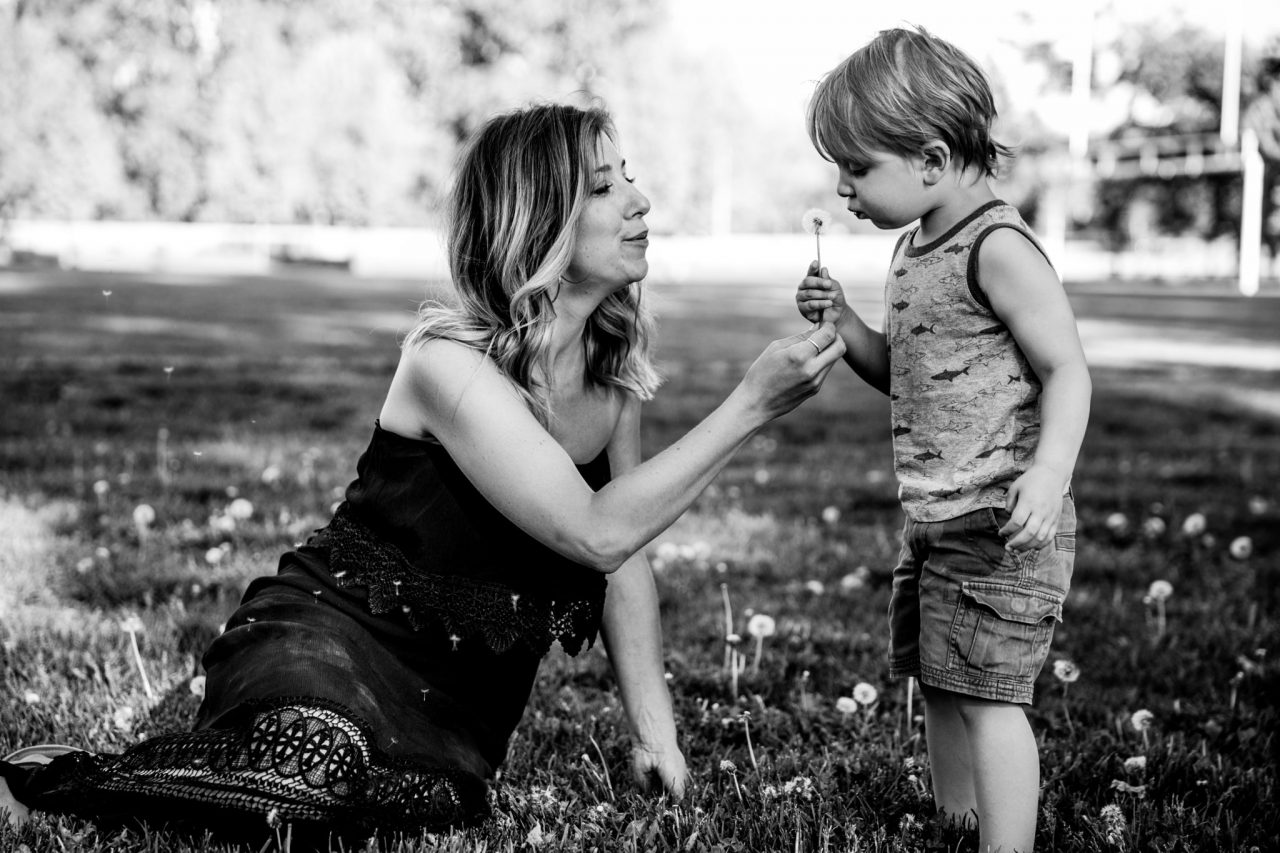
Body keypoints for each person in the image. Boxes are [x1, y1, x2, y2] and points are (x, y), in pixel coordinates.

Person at [0, 102, 846, 845]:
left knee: (410, 804)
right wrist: (750, 406)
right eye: (603, 186)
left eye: (629, 177)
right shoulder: (448, 362)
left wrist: (655, 737)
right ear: (539, 217)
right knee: (313, 771)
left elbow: (625, 563)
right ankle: (60, 778)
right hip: (325, 637)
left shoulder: (610, 384)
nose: (640, 199)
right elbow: (593, 532)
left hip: (458, 709)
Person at [795, 27, 1092, 853]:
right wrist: (845, 323)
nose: (843, 187)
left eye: (857, 168)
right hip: (932, 517)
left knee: (991, 694)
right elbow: (908, 372)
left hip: (1001, 519)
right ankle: (959, 821)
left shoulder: (998, 249)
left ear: (928, 159)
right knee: (939, 676)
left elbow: (1068, 370)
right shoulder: (911, 248)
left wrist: (1049, 472)